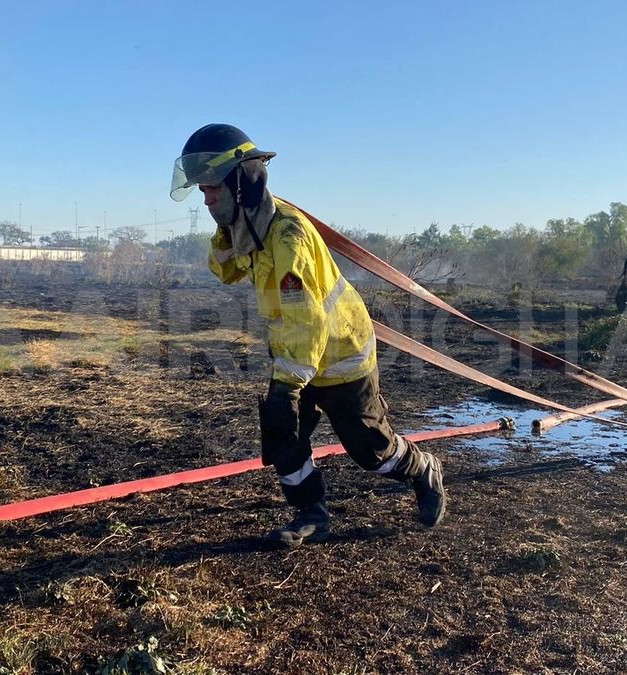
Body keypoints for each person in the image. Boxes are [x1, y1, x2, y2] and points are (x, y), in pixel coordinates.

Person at [170, 123, 446, 548]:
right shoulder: (251, 225)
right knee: (283, 437)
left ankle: (423, 468)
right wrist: (226, 228)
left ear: (240, 181)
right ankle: (311, 514)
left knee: (371, 453)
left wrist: (286, 388)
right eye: (203, 191)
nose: (206, 199)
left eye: (211, 189)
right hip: (298, 356)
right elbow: (225, 271)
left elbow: (306, 320)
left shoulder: (287, 235)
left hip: (340, 355)